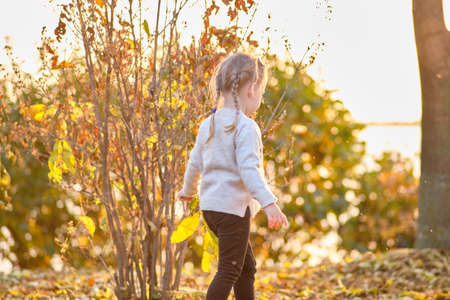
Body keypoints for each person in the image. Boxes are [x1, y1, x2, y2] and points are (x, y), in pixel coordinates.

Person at [177, 52, 289, 300]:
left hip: (211, 210)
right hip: (233, 211)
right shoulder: (246, 127)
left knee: (246, 268)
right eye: (260, 92)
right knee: (229, 269)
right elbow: (250, 171)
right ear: (250, 89)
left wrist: (187, 190)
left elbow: (195, 160)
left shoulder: (209, 123)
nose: (259, 98)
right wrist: (270, 204)